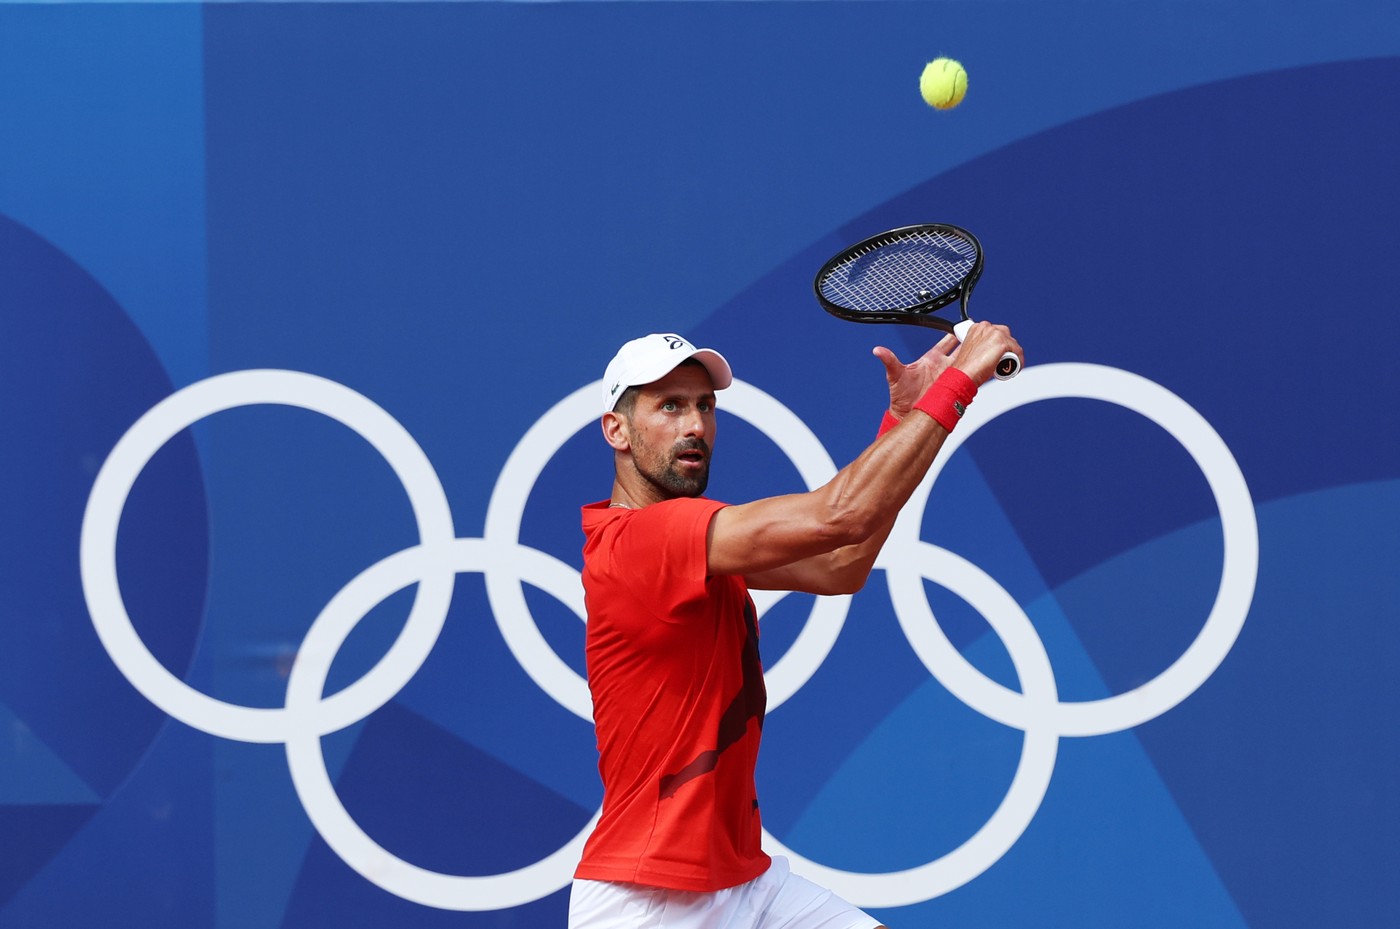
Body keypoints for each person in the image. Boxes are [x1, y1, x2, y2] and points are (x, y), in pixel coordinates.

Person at [569, 323, 1024, 929]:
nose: (695, 425)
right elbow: (840, 514)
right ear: (616, 430)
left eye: (705, 405)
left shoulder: (697, 549)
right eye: (669, 406)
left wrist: (907, 422)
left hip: (746, 881)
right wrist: (959, 382)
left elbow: (843, 564)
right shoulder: (640, 541)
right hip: (649, 898)